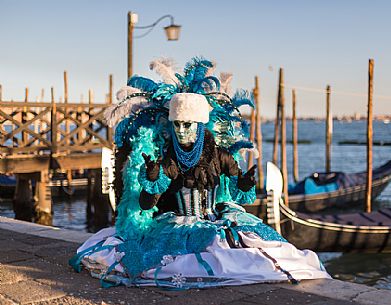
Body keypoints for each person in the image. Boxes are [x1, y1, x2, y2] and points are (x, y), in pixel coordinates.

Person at [70, 57, 330, 288]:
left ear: (200, 124)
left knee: (261, 253)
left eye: (189, 125)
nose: (183, 132)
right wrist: (151, 182)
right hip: (177, 224)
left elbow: (239, 197)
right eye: (178, 125)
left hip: (216, 219)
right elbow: (148, 204)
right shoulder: (168, 161)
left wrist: (246, 182)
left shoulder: (220, 157)